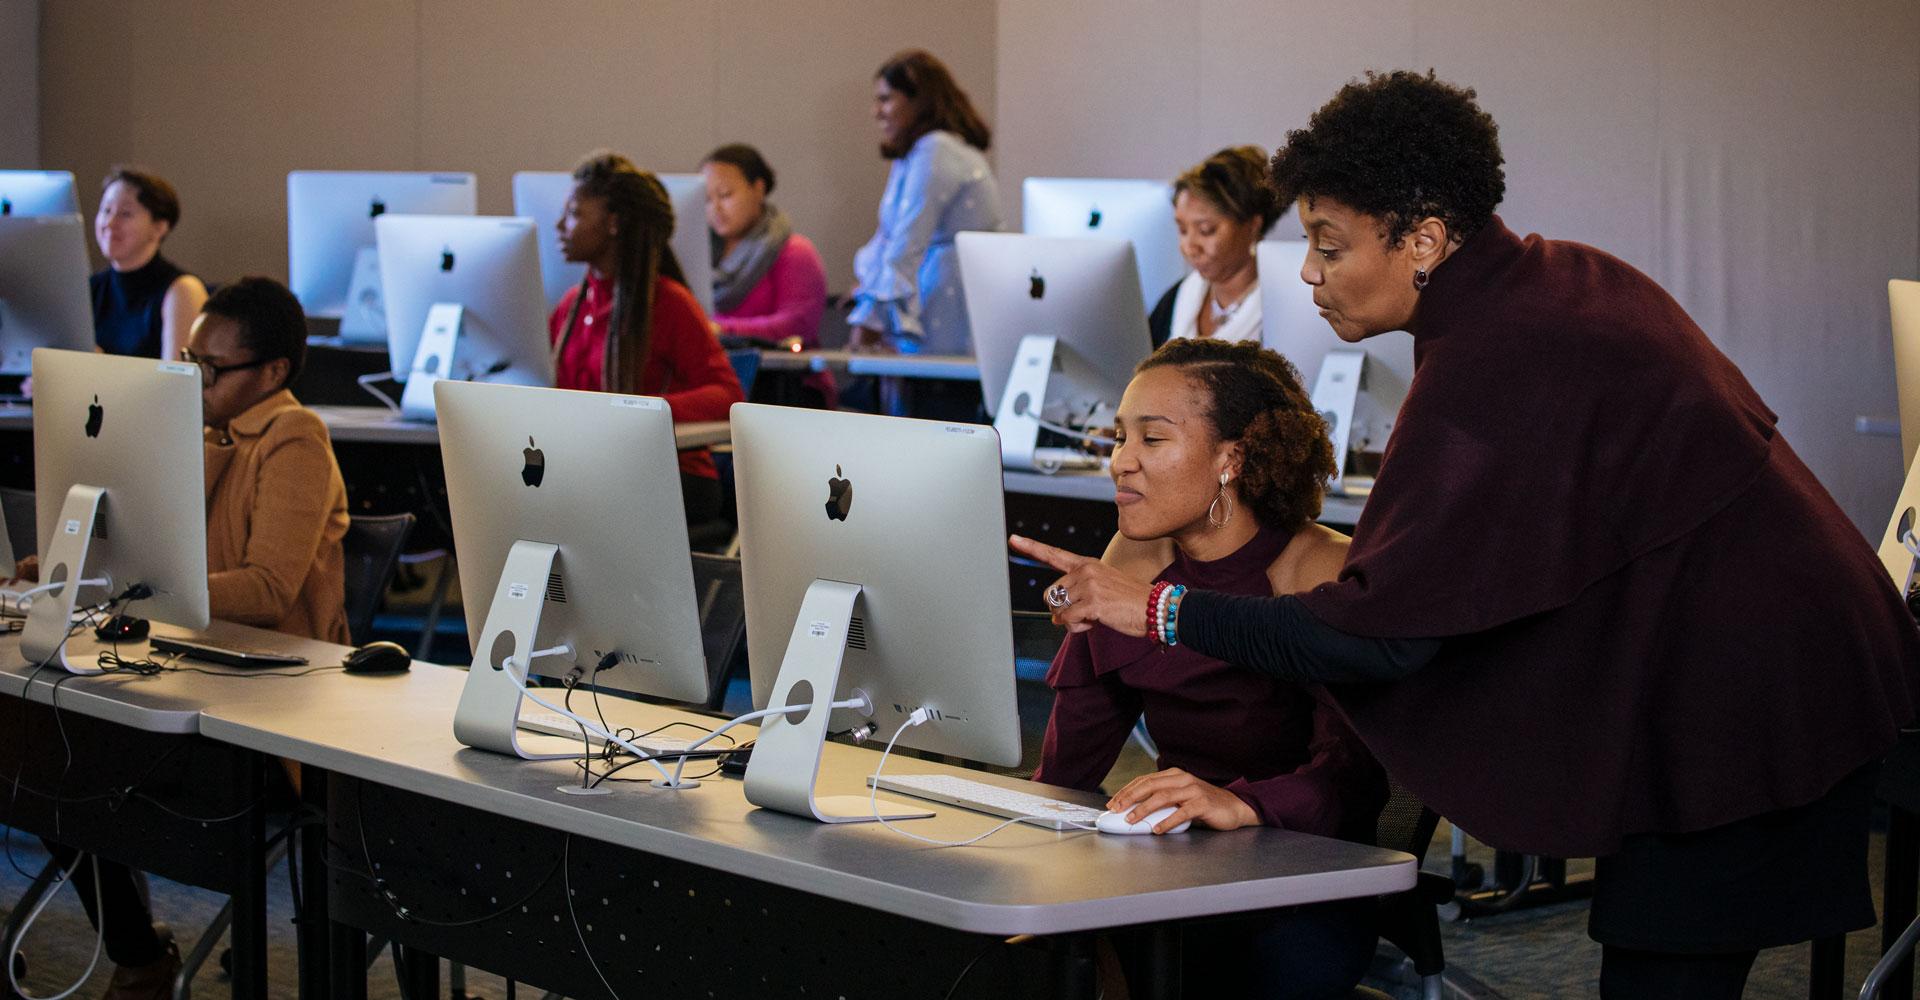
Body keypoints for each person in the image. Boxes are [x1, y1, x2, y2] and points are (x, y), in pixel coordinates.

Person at [1013, 70, 1920, 1000]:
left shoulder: (1494, 357)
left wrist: (1160, 610)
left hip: (1756, 684)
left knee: (1664, 970)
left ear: (1426, 240)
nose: (1310, 273)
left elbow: (1379, 635)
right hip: (1782, 655)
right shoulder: (1556, 280)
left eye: (1330, 245)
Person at [1034, 338, 1385, 997]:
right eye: (1117, 437)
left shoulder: (1320, 571)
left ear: (1232, 458)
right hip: (1173, 860)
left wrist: (1238, 803)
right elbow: (1067, 767)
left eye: (1152, 439)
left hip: (1306, 874)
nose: (1120, 462)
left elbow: (1352, 783)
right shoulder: (1134, 559)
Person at [34, 276, 350, 999]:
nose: (192, 377)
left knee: (68, 754)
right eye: (187, 357)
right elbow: (156, 557)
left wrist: (134, 589)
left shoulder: (294, 437)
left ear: (271, 373)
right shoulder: (194, 429)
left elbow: (269, 589)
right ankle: (138, 948)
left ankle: (140, 953)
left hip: (269, 709)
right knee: (40, 750)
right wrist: (76, 564)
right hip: (187, 672)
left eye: (211, 366)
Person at [550, 151, 745, 531]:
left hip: (672, 477)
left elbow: (727, 393)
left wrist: (640, 412)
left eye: (574, 213)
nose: (560, 225)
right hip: (594, 471)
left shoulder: (669, 303)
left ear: (613, 223)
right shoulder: (571, 306)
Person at [846, 49, 1003, 360]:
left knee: (937, 398)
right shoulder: (915, 154)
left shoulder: (937, 149)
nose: (876, 111)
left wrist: (869, 321)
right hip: (937, 293)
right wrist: (869, 296)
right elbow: (887, 239)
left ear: (919, 100)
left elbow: (907, 241)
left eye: (886, 98)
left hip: (955, 301)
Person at [700, 143, 835, 407]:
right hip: (723, 381)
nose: (715, 207)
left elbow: (795, 327)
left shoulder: (795, 251)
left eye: (725, 195)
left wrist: (719, 329)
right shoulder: (700, 255)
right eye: (706, 199)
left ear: (758, 189)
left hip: (788, 388)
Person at [1147, 147, 1280, 347]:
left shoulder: (1279, 311)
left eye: (1205, 230)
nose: (1189, 247)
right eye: (1182, 230)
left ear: (1252, 226)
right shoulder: (1175, 300)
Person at [91, 167, 207, 361]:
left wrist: (101, 367)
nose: (110, 223)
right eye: (106, 210)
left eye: (125, 214)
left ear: (159, 227)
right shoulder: (90, 288)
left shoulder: (181, 290)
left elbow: (177, 384)